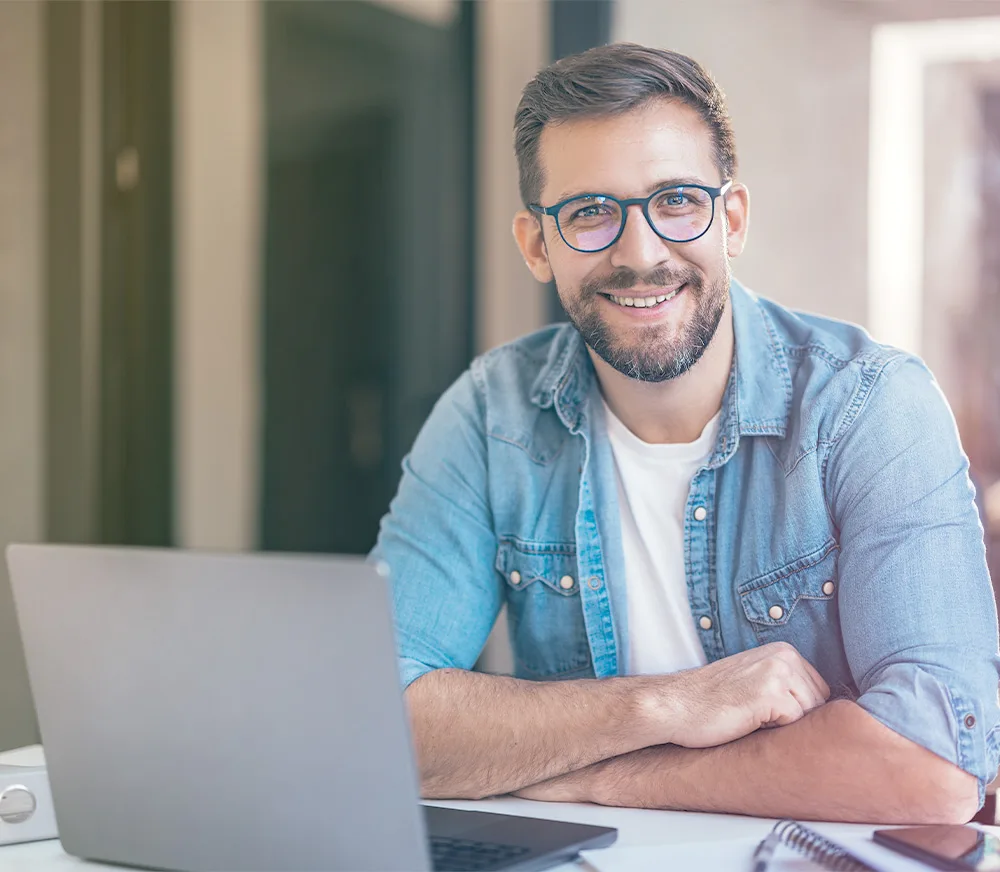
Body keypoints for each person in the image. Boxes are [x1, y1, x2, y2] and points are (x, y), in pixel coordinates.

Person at [371, 43, 999, 823]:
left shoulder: (870, 406)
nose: (641, 255)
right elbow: (373, 717)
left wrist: (596, 775)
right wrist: (663, 707)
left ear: (730, 218)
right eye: (590, 212)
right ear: (538, 244)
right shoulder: (489, 417)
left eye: (675, 200)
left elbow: (937, 768)